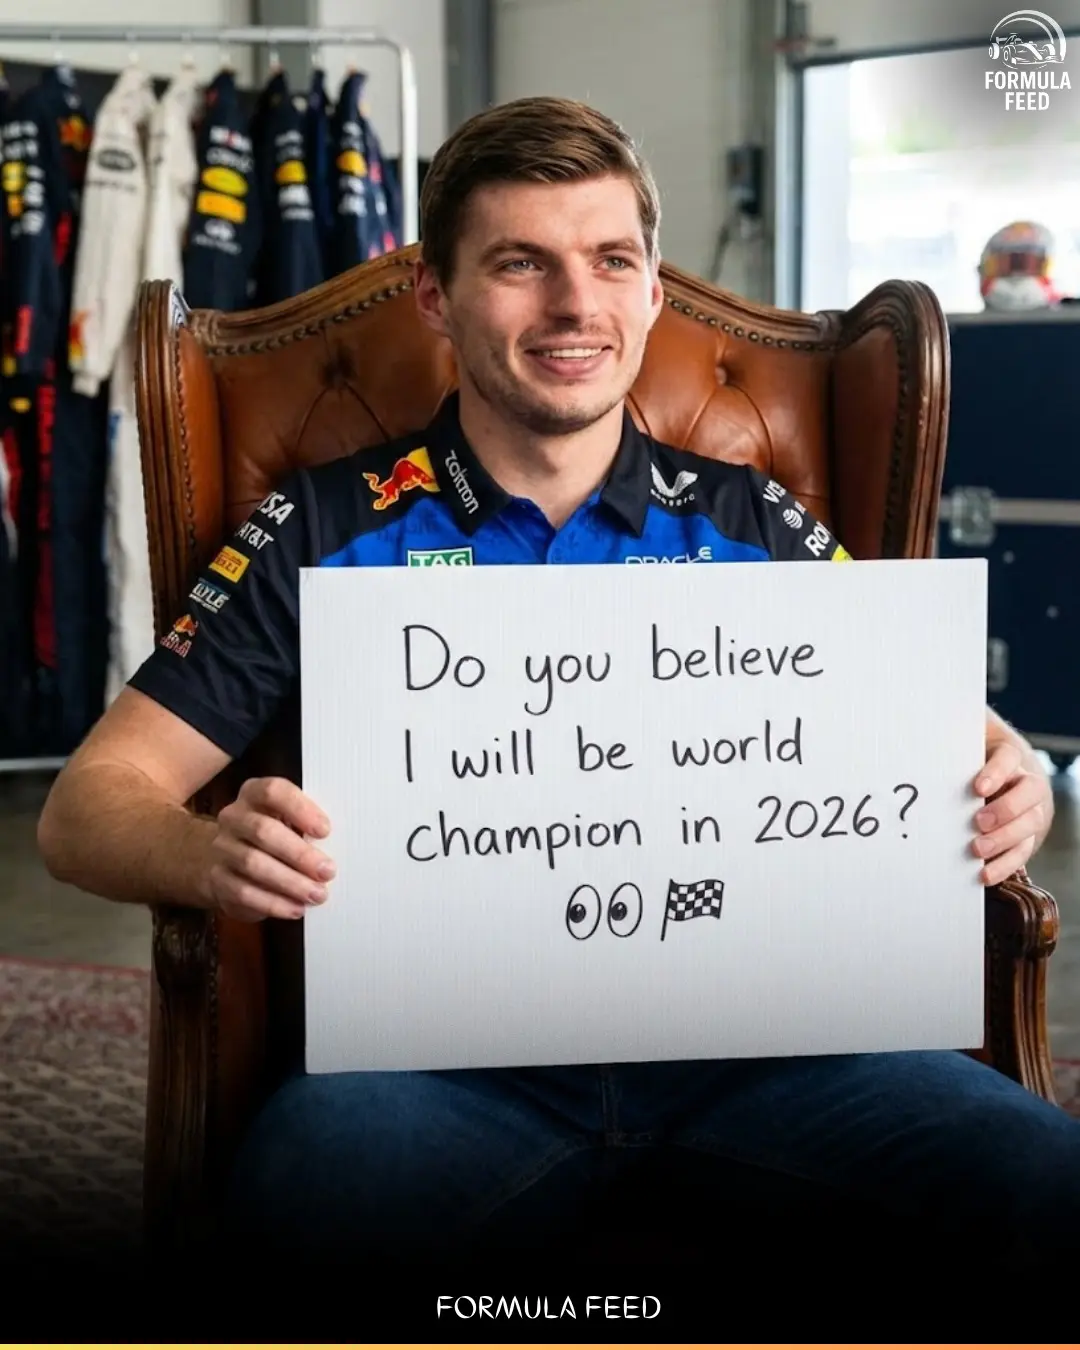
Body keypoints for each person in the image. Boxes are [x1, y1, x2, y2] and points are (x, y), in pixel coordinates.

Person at [37, 95, 1078, 1277]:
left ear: (652, 292)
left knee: (1045, 1181)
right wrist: (206, 854)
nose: (577, 305)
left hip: (781, 1057)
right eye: (521, 264)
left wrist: (1012, 776)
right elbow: (85, 808)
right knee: (301, 1217)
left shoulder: (752, 518)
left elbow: (949, 732)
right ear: (435, 295)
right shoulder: (321, 527)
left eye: (611, 261)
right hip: (434, 1073)